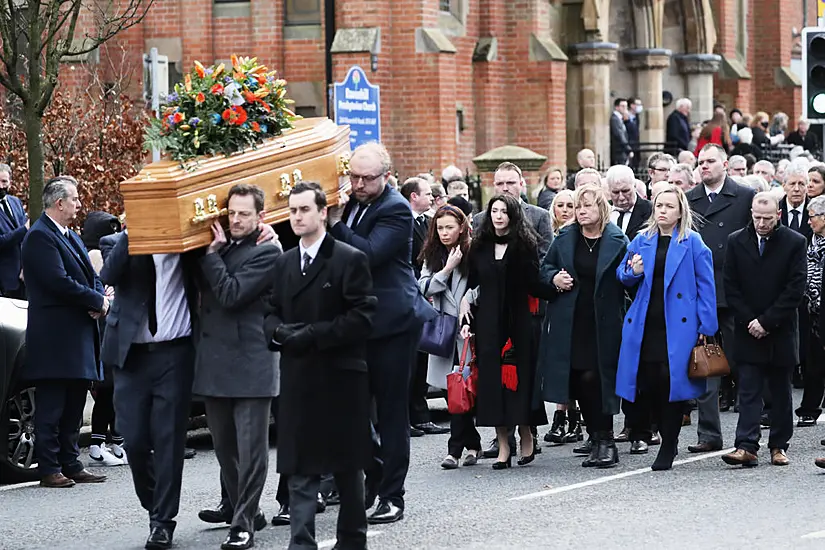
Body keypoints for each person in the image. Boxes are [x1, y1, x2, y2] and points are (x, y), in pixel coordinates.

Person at [101, 202, 274, 549]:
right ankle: (155, 504)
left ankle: (162, 521)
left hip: (176, 354)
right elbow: (108, 275)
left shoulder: (191, 248)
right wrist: (135, 229)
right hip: (131, 356)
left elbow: (230, 260)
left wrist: (267, 236)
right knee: (134, 441)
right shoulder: (119, 241)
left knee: (168, 441)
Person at [264, 181, 377, 550]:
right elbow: (269, 312)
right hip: (298, 378)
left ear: (322, 212)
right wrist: (280, 333)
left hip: (340, 378)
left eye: (304, 210)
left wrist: (312, 334)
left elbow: (362, 318)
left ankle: (352, 542)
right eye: (292, 210)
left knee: (347, 469)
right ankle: (301, 543)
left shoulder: (348, 258)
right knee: (299, 468)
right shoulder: (282, 263)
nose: (297, 217)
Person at [328, 142, 435, 524]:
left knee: (390, 413)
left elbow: (366, 255)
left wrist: (334, 223)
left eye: (366, 178)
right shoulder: (355, 201)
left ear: (387, 177)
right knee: (353, 411)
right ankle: (373, 478)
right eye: (353, 176)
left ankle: (393, 496)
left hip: (392, 323)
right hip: (357, 323)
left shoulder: (395, 208)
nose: (357, 184)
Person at [193, 184, 281, 550]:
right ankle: (248, 509)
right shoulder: (216, 247)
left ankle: (242, 524)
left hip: (252, 362)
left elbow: (230, 295)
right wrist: (210, 251)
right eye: (231, 213)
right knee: (224, 447)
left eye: (244, 213)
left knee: (251, 450)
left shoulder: (268, 253)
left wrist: (211, 255)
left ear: (261, 216)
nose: (236, 220)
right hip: (214, 362)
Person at [615, 185, 718, 470]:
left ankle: (669, 444)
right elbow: (623, 275)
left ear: (680, 211)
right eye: (659, 206)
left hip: (680, 325)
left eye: (669, 206)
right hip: (646, 322)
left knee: (670, 382)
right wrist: (631, 272)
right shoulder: (641, 240)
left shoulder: (693, 242)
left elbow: (706, 286)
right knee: (648, 382)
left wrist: (706, 325)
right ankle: (657, 431)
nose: (662, 211)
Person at [21, 176, 109, 488]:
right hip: (55, 338)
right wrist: (95, 300)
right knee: (52, 406)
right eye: (74, 200)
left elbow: (90, 274)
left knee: (73, 404)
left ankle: (71, 463)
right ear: (60, 203)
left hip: (77, 334)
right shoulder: (39, 237)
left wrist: (100, 297)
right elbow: (57, 282)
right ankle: (49, 467)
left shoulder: (68, 235)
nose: (79, 205)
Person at [459, 193, 554, 469]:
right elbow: (473, 284)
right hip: (488, 324)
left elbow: (535, 283)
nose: (498, 216)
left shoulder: (524, 244)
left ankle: (526, 433)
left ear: (512, 215)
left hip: (519, 323)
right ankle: (503, 445)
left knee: (520, 381)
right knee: (492, 384)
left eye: (503, 211)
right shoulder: (479, 246)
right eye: (494, 211)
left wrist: (556, 287)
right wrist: (466, 306)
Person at [539, 183, 629, 468]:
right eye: (577, 207)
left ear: (600, 207)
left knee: (596, 380)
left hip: (603, 322)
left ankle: (606, 440)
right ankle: (594, 437)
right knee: (577, 380)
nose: (580, 212)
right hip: (571, 320)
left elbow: (628, 278)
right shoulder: (566, 236)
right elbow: (545, 269)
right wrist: (554, 279)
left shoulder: (617, 239)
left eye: (586, 206)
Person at [721, 192, 806, 467]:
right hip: (748, 328)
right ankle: (746, 445)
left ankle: (779, 445)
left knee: (781, 391)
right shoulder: (736, 241)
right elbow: (730, 286)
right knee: (748, 390)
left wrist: (767, 321)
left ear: (778, 215)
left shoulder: (794, 242)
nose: (761, 223)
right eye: (757, 217)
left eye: (767, 218)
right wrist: (750, 320)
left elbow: (795, 287)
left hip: (780, 328)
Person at [686, 144, 756, 453]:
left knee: (744, 363)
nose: (705, 166)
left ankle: (749, 435)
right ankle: (709, 433)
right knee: (705, 365)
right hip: (702, 293)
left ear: (724, 164)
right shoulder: (689, 201)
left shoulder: (744, 197)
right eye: (701, 162)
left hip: (735, 292)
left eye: (711, 161)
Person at [417, 205, 479, 469]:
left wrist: (468, 298)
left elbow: (483, 284)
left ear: (462, 227)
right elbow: (423, 286)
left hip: (467, 328)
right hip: (442, 329)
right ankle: (472, 443)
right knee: (452, 388)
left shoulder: (474, 251)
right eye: (440, 228)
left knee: (461, 387)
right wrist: (447, 268)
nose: (444, 233)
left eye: (449, 227)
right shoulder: (433, 255)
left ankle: (454, 450)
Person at [399, 177, 446, 437]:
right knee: (409, 363)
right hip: (410, 295)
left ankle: (420, 415)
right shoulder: (402, 221)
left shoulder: (427, 223)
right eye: (427, 193)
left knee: (421, 362)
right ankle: (405, 416)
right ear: (413, 196)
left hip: (425, 296)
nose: (433, 198)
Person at [81, 211, 126, 467]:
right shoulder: (95, 255)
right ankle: (103, 443)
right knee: (109, 391)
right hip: (104, 331)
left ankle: (111, 442)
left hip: (107, 329)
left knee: (111, 391)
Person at [543, 189, 583, 446]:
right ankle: (562, 414)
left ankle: (573, 416)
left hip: (576, 306)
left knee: (574, 361)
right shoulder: (551, 237)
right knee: (559, 362)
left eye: (571, 205)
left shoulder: (580, 235)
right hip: (553, 304)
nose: (566, 210)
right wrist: (553, 279)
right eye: (560, 205)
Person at [0, 163, 28, 299]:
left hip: (24, 276)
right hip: (4, 279)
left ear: (10, 182)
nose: (1, 186)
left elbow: (27, 238)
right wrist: (24, 229)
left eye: (4, 181)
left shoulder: (15, 202)